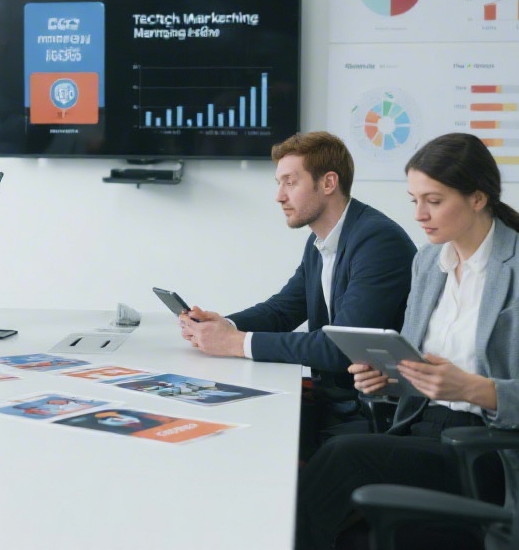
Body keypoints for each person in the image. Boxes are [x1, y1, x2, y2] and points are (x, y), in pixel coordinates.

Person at [294, 133, 519, 549]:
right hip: (419, 430)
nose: (419, 214)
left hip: (483, 450)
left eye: (433, 200)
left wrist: (477, 389)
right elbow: (420, 371)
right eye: (414, 200)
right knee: (332, 474)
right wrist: (388, 378)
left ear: (478, 198)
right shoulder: (429, 261)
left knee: (342, 459)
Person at [178, 131, 416, 455]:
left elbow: (340, 345)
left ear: (328, 183)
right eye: (279, 183)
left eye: (290, 182)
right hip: (334, 402)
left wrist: (235, 343)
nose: (279, 196)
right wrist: (222, 325)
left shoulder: (377, 241)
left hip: (371, 411)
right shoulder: (321, 240)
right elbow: (283, 310)